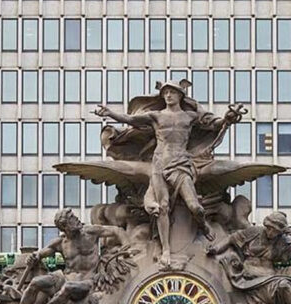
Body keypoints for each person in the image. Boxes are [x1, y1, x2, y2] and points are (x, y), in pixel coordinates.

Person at [93, 80, 242, 266]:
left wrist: (229, 118)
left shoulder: (190, 116)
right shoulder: (156, 116)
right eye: (165, 93)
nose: (168, 96)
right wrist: (110, 114)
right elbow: (130, 120)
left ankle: (202, 224)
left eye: (172, 92)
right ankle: (165, 251)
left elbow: (215, 124)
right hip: (159, 164)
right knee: (162, 208)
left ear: (180, 95)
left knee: (195, 206)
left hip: (181, 163)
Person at [6, 209, 127, 304]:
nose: (77, 219)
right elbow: (41, 253)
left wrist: (127, 249)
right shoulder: (61, 242)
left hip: (88, 282)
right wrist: (34, 256)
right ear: (65, 226)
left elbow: (117, 231)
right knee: (35, 282)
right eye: (72, 219)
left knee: (68, 288)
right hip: (64, 278)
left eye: (74, 216)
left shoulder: (90, 232)